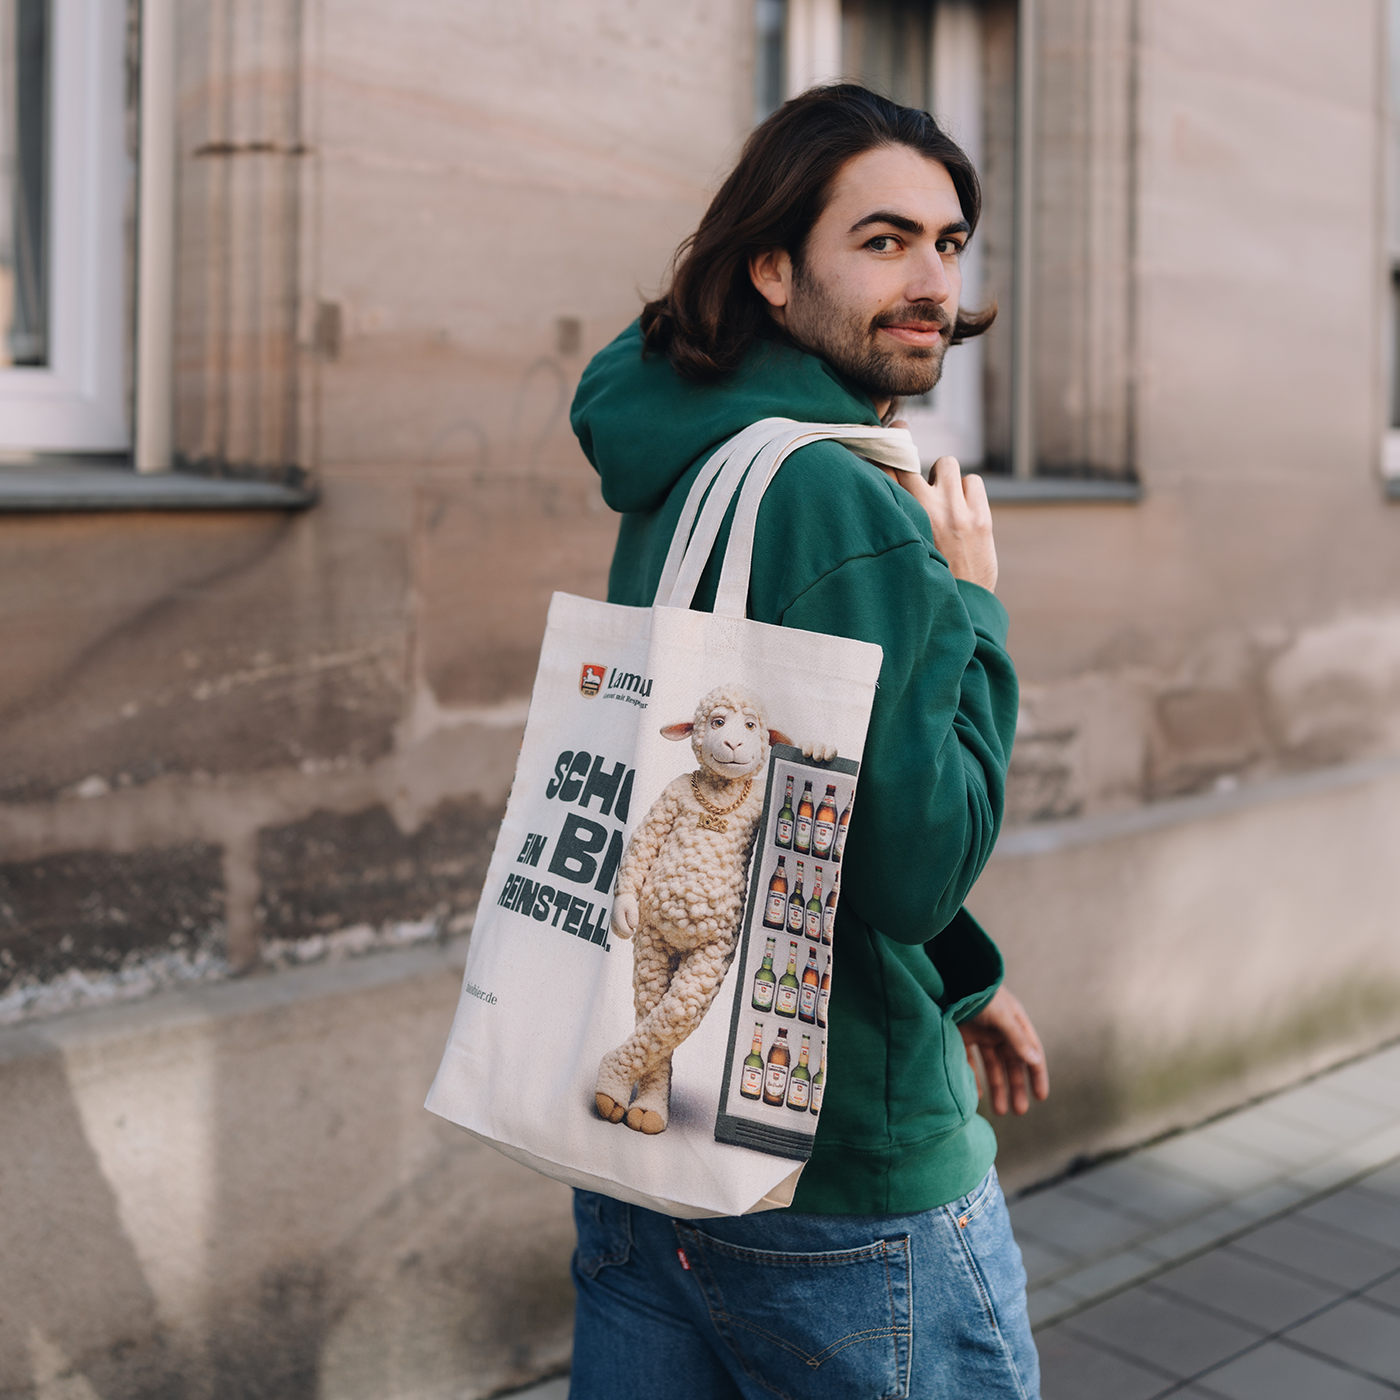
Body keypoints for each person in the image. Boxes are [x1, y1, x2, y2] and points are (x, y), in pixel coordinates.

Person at [567, 84, 1049, 1399]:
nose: (931, 280)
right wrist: (975, 614)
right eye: (883, 241)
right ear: (775, 268)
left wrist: (961, 976)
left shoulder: (692, 462)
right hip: (841, 1187)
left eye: (949, 244)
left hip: (648, 1165)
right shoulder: (846, 497)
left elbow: (798, 802)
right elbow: (914, 870)